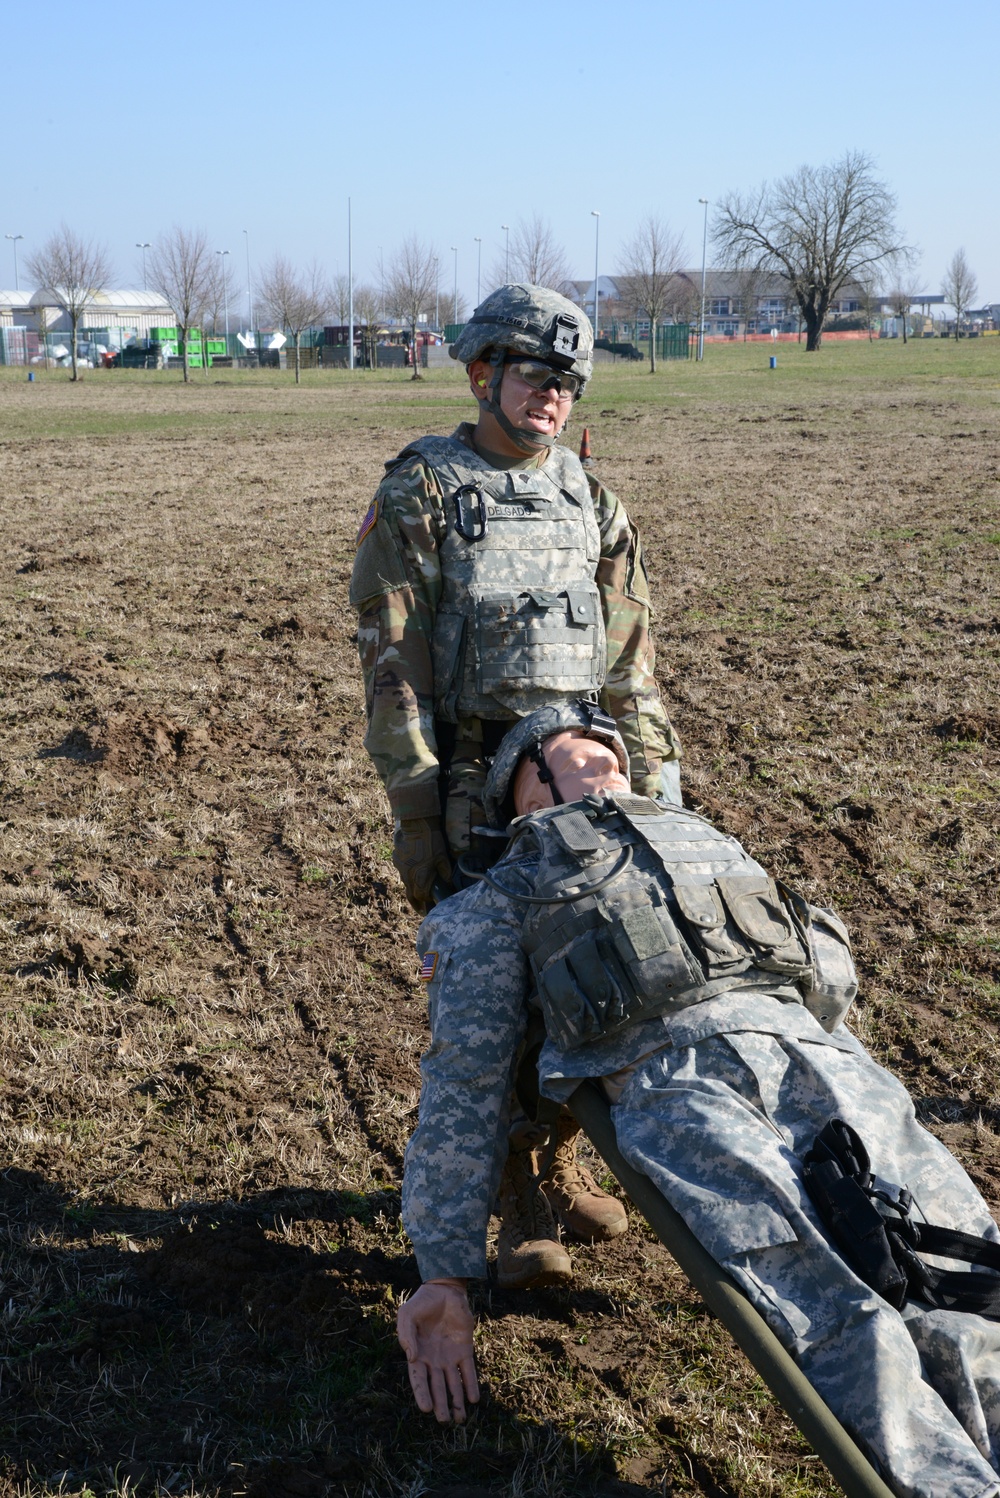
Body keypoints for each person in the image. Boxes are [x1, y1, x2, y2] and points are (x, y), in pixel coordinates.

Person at [396, 703, 1000, 1498]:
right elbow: (464, 1083)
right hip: (679, 1086)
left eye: (616, 756)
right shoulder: (506, 893)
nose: (612, 764)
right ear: (525, 788)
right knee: (835, 1310)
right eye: (584, 755)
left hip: (826, 1064)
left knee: (957, 1266)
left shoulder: (711, 841)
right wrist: (445, 1274)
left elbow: (828, 968)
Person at [350, 283, 682, 1281]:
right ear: (482, 370)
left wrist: (659, 804)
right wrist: (415, 813)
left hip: (584, 782)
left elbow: (632, 665)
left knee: (588, 981)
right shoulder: (425, 490)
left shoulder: (592, 499)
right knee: (494, 998)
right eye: (534, 372)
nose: (552, 395)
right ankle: (514, 1205)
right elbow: (392, 666)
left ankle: (554, 1156)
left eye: (569, 380)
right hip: (473, 791)